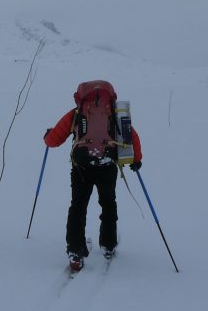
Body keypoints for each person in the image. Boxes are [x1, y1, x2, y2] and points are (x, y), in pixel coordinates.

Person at [43, 80, 142, 270]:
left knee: (78, 207)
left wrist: (47, 137)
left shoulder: (76, 114)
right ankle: (108, 245)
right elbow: (131, 136)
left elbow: (54, 140)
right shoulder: (114, 114)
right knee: (108, 203)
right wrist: (136, 160)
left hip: (82, 167)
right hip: (107, 165)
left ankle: (75, 252)